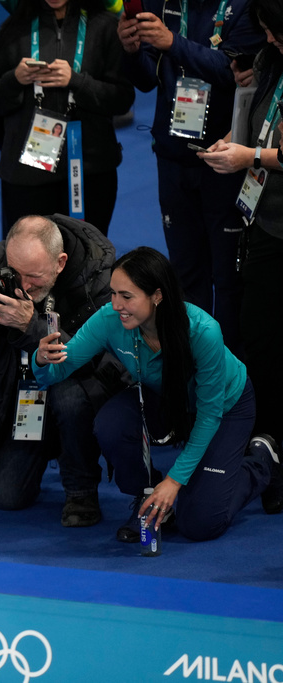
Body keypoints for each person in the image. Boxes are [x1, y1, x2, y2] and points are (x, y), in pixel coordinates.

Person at [35, 247, 283, 542]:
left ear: (157, 295)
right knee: (111, 425)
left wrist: (175, 480)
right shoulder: (109, 320)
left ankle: (260, 461)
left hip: (225, 409)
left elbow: (209, 414)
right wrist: (41, 360)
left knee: (200, 524)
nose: (115, 305)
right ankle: (148, 497)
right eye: (113, 293)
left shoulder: (203, 331)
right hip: (164, 400)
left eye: (126, 296)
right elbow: (58, 372)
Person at [0, 214, 127, 526]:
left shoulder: (99, 275)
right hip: (20, 389)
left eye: (33, 276)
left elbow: (102, 360)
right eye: (15, 273)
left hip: (79, 387)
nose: (23, 286)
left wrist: (29, 325)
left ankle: (81, 488)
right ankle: (48, 445)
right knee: (7, 497)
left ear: (60, 263)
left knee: (69, 397)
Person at [116, 0, 265, 356]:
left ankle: (229, 372)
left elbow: (233, 71)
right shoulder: (162, 3)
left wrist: (173, 43)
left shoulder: (244, 6)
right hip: (171, 159)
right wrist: (131, 49)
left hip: (225, 160)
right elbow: (144, 80)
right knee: (184, 275)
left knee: (228, 280)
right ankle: (192, 363)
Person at [198, 0, 283, 498]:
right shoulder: (271, 59)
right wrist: (234, 140)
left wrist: (249, 155)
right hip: (264, 219)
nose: (270, 40)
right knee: (258, 331)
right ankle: (267, 440)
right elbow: (261, 116)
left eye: (276, 32)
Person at [0, 0, 134, 236]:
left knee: (88, 263)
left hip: (89, 171)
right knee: (27, 264)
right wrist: (15, 79)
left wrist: (76, 81)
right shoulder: (14, 28)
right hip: (26, 175)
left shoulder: (104, 27)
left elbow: (122, 99)